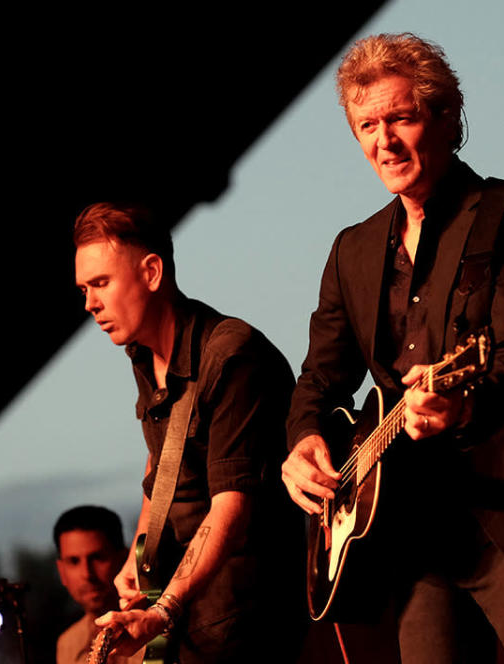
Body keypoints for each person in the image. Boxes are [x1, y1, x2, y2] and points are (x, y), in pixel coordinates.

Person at [281, 33, 504, 663]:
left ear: (446, 117)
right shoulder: (352, 251)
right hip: (411, 541)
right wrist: (303, 438)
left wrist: (464, 408)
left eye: (400, 119)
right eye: (366, 125)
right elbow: (320, 377)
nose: (383, 141)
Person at [74, 203, 305, 662]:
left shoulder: (232, 357)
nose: (89, 304)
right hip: (187, 618)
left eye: (100, 283)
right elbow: (162, 463)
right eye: (84, 288)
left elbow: (232, 505)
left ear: (152, 273)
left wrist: (163, 613)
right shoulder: (143, 355)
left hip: (244, 620)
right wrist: (139, 558)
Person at [53, 505, 143, 664]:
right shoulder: (67, 644)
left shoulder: (155, 627)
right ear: (61, 572)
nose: (87, 574)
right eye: (74, 561)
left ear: (124, 560)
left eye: (98, 558)